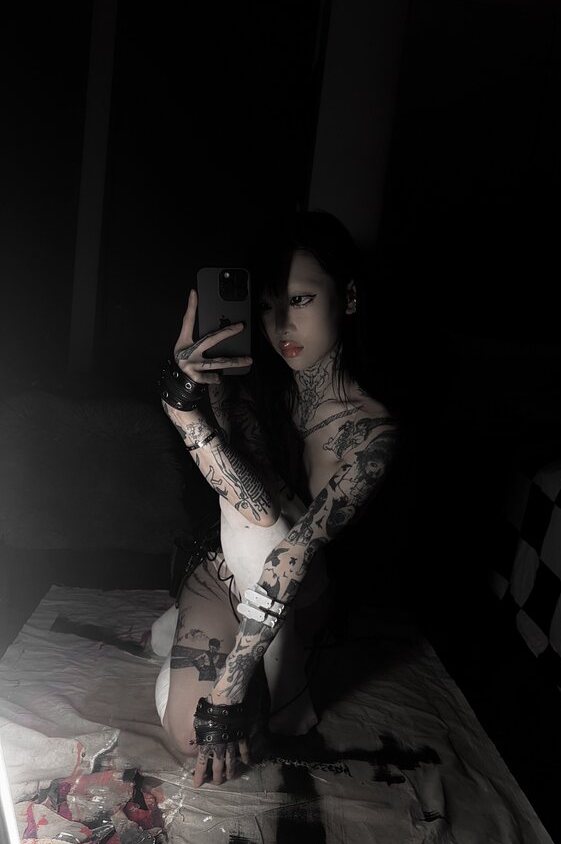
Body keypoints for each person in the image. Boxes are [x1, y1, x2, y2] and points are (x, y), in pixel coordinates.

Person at [154, 209, 400, 787]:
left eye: (300, 300)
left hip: (297, 593)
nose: (280, 324)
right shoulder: (254, 390)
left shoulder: (372, 432)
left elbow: (289, 547)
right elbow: (239, 500)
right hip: (222, 571)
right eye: (266, 306)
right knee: (189, 740)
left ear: (349, 297)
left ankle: (269, 677)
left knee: (271, 528)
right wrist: (194, 403)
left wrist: (231, 687)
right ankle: (211, 644)